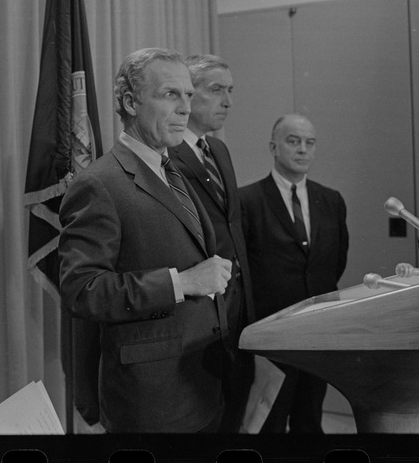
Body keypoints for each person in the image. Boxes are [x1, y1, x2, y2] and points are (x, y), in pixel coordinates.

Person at [58, 48, 233, 433]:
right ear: (129, 102)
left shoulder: (173, 171)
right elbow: (81, 290)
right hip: (151, 403)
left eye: (189, 95)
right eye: (171, 94)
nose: (185, 108)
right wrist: (181, 282)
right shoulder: (100, 183)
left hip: (201, 383)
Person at [238, 113, 348, 433]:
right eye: (293, 141)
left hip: (317, 331)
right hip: (271, 331)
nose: (303, 150)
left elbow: (335, 261)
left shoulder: (331, 200)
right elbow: (242, 270)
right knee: (269, 423)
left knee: (310, 419)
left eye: (309, 143)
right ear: (274, 147)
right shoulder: (248, 201)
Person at [168, 54, 255, 432]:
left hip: (237, 309)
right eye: (216, 89)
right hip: (198, 310)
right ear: (187, 96)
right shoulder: (166, 154)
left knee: (234, 411)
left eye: (230, 90)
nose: (228, 101)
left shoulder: (218, 150)